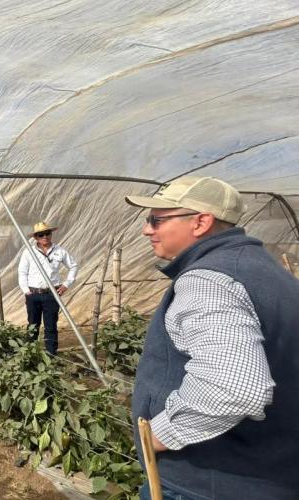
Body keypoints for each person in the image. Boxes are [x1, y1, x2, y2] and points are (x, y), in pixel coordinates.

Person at [126, 176, 299, 499]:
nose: (147, 230)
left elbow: (235, 387)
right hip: (271, 472)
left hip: (208, 483)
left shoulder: (209, 281)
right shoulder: (266, 270)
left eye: (157, 220)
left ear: (201, 222)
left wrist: (160, 434)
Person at [17, 221, 78, 355]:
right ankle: (30, 356)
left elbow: (73, 266)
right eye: (41, 234)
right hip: (33, 294)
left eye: (47, 233)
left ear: (51, 234)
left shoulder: (60, 251)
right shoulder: (29, 252)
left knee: (51, 326)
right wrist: (26, 292)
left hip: (52, 294)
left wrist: (66, 284)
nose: (45, 236)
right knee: (33, 326)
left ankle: (51, 355)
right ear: (35, 237)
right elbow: (22, 272)